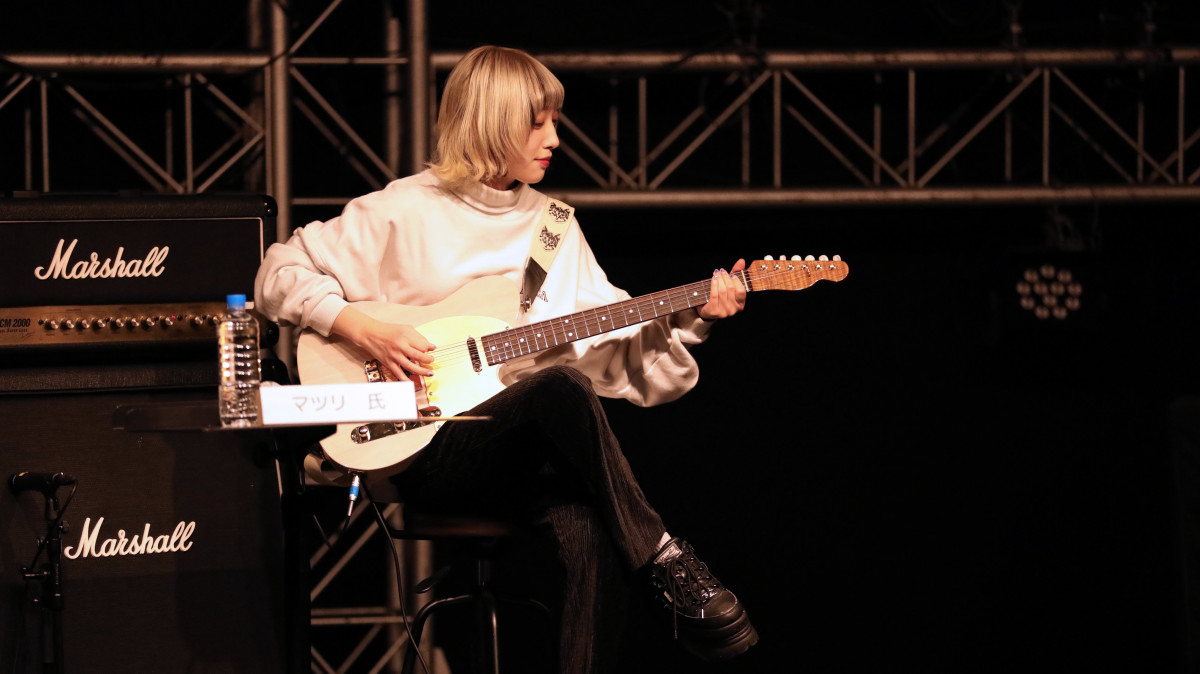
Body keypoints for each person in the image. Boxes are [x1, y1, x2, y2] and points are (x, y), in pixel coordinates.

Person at [255, 45, 757, 673]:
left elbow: (618, 357)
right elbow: (277, 271)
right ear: (491, 123)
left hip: (517, 461)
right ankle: (662, 555)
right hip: (425, 451)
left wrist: (692, 318)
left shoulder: (553, 228)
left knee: (591, 519)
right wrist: (363, 329)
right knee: (559, 387)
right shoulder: (403, 210)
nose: (554, 138)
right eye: (536, 123)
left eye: (555, 121)